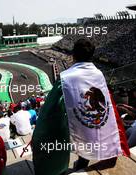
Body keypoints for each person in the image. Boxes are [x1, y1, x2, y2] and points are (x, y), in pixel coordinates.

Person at [32, 38, 130, 175]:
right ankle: (82, 164)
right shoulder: (99, 74)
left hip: (74, 122)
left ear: (73, 56)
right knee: (88, 131)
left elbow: (49, 112)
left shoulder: (65, 77)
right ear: (92, 56)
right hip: (92, 123)